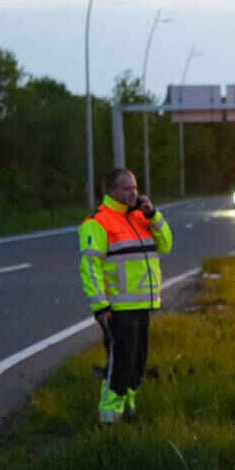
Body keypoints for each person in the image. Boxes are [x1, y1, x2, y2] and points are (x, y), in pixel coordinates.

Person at [78, 168, 172, 424]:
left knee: (137, 364)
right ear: (112, 191)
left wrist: (153, 215)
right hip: (118, 309)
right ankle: (109, 419)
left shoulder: (142, 217)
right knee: (120, 366)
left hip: (143, 305)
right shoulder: (98, 223)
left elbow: (166, 245)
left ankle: (129, 411)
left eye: (135, 187)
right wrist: (100, 306)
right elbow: (90, 268)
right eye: (128, 189)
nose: (135, 193)